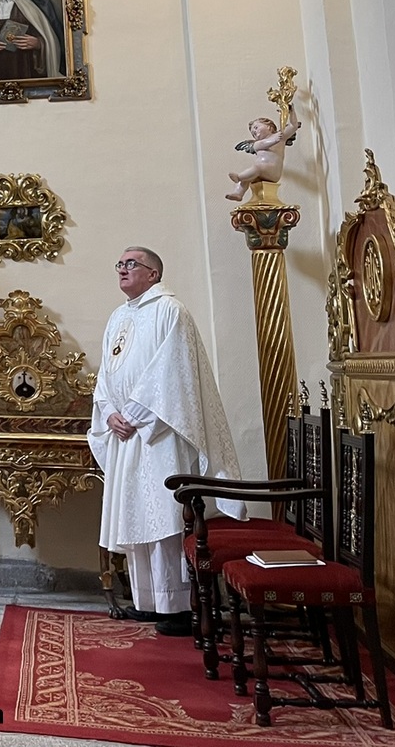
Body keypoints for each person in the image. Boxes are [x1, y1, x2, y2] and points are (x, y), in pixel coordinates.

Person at [88, 246, 246, 635]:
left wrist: (134, 416)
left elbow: (173, 376)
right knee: (137, 517)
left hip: (159, 435)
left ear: (153, 274)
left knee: (163, 518)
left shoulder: (171, 312)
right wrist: (109, 413)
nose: (123, 269)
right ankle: (148, 600)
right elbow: (106, 375)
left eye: (131, 264)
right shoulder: (118, 317)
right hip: (125, 434)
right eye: (120, 264)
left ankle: (176, 606)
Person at [226, 114, 300, 201]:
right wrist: (274, 140)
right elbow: (263, 144)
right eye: (253, 133)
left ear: (269, 127)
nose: (254, 132)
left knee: (257, 168)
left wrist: (291, 111)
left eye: (256, 128)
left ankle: (239, 177)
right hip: (259, 171)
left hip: (272, 171)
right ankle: (238, 193)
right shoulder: (258, 143)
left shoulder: (281, 137)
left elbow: (293, 125)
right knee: (247, 178)